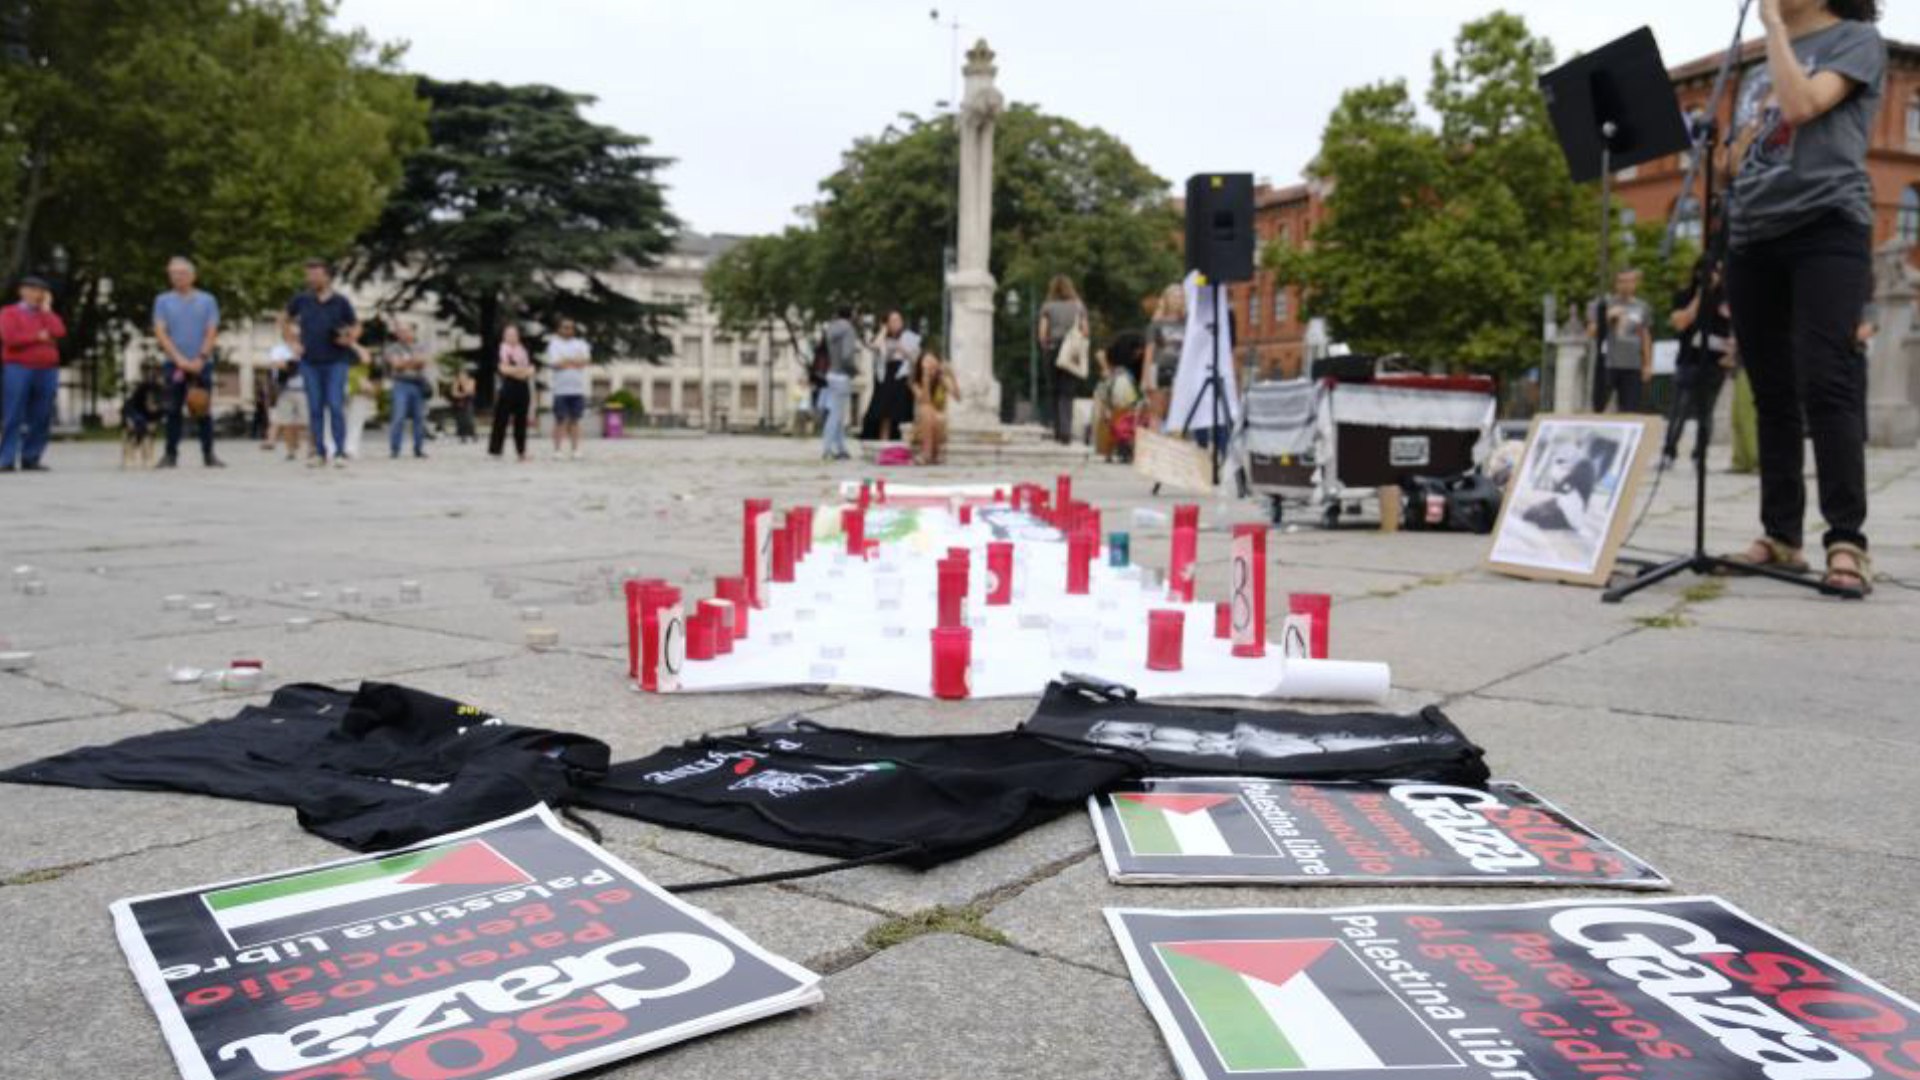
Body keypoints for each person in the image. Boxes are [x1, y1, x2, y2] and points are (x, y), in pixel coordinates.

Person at [1722, 0, 1884, 595]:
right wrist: (1743, 135)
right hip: (1753, 233)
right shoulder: (1755, 66)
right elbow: (1732, 161)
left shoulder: (1855, 40)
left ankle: (1846, 540)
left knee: (1825, 378)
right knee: (1772, 391)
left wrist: (1771, 27)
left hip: (1826, 224)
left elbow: (1802, 106)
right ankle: (1781, 535)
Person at [279, 259, 358, 468]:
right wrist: (292, 342)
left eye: (315, 275)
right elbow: (284, 319)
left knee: (335, 405)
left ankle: (340, 452)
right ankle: (319, 452)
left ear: (327, 277)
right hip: (310, 362)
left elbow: (356, 325)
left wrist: (349, 338)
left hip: (337, 361)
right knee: (314, 408)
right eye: (309, 275)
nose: (311, 279)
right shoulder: (301, 300)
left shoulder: (341, 301)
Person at [1662, 257, 1736, 469]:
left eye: (1717, 272)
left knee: (1706, 413)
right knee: (1679, 410)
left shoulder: (1726, 298)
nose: (1713, 276)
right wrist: (1701, 295)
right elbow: (1680, 323)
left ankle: (1699, 455)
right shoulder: (1684, 295)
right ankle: (1669, 452)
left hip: (1715, 363)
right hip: (1689, 361)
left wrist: (1732, 349)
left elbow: (1735, 328)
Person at [152, 257, 224, 469]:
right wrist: (179, 359)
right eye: (173, 273)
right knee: (172, 410)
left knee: (202, 408)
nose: (178, 277)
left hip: (202, 363)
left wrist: (201, 358)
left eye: (182, 273)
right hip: (174, 363)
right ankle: (170, 454)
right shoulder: (162, 301)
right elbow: (161, 332)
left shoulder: (207, 300)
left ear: (193, 276)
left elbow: (211, 330)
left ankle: (209, 454)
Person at [0, 275, 66, 473]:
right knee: (14, 412)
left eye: (41, 292)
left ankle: (31, 456)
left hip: (47, 368)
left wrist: (47, 311)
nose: (37, 295)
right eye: (34, 290)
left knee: (42, 414)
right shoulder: (9, 313)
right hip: (18, 367)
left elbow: (59, 331)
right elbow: (11, 338)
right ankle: (6, 458)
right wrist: (38, 336)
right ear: (23, 291)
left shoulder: (45, 314)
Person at [1586, 269, 1653, 414]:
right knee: (1599, 407)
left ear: (1635, 283)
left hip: (1632, 364)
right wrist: (1607, 316)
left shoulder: (1642, 306)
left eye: (1630, 281)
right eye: (1622, 281)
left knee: (1630, 410)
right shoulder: (1603, 304)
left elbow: (1645, 336)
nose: (1626, 285)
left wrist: (1647, 364)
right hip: (1608, 363)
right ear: (1615, 284)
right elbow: (1591, 332)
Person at [1038, 275, 1090, 444]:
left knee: (1054, 390)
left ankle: (1057, 430)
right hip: (1071, 352)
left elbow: (1042, 334)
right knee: (1067, 392)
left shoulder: (1047, 306)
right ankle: (1066, 431)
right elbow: (1085, 331)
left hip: (1053, 349)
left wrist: (1046, 346)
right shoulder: (1079, 306)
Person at [860, 311, 918, 442]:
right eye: (893, 320)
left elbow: (915, 358)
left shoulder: (908, 337)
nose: (897, 323)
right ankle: (883, 442)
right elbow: (875, 346)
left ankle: (901, 442)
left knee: (901, 412)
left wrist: (904, 350)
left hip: (902, 376)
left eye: (899, 320)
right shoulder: (882, 338)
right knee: (885, 413)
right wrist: (883, 330)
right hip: (886, 376)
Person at [545, 319, 591, 460]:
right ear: (559, 329)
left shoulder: (581, 344)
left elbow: (584, 361)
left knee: (575, 420)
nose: (568, 330)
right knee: (560, 420)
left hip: (577, 389)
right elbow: (555, 363)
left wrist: (566, 360)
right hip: (560, 390)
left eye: (570, 327)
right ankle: (557, 450)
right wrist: (573, 361)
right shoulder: (554, 344)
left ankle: (576, 449)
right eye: (565, 327)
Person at [385, 322, 431, 459]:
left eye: (407, 331)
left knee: (419, 417)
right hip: (401, 384)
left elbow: (423, 361)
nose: (404, 334)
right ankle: (395, 449)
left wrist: (406, 362)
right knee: (398, 416)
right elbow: (396, 365)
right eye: (401, 331)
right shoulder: (392, 348)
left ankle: (418, 449)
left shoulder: (420, 346)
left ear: (413, 332)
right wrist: (413, 361)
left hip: (418, 384)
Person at [1144, 284, 1186, 426]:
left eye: (1180, 296)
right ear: (1166, 299)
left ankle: (1171, 439)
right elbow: (1149, 352)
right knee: (1156, 413)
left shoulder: (1188, 324)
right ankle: (1153, 438)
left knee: (1175, 412)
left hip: (1179, 371)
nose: (1177, 300)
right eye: (1174, 296)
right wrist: (1145, 379)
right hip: (1158, 370)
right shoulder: (1156, 324)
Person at [1094, 343, 1143, 464]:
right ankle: (1124, 451)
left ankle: (1112, 452)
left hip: (1117, 408)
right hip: (1127, 406)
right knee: (1124, 426)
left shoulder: (1113, 374)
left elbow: (1104, 394)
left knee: (1112, 425)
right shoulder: (1126, 373)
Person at [490, 325, 534, 461]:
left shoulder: (523, 350)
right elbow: (503, 369)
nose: (512, 337)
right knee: (501, 419)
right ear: (504, 336)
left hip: (523, 388)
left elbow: (531, 369)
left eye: (514, 334)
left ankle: (521, 450)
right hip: (506, 387)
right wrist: (520, 371)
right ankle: (496, 450)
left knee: (521, 420)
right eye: (508, 334)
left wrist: (515, 371)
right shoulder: (500, 349)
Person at [821, 306, 859, 460]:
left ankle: (840, 448)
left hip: (831, 373)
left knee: (836, 414)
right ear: (851, 314)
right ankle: (828, 448)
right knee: (836, 415)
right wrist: (854, 370)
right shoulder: (849, 329)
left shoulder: (831, 328)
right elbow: (847, 355)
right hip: (842, 375)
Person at [910, 349, 960, 465]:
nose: (930, 365)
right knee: (926, 409)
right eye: (927, 363)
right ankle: (929, 454)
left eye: (932, 362)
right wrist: (926, 377)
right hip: (921, 426)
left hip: (939, 423)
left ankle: (929, 455)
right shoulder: (915, 383)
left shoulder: (941, 379)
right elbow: (925, 401)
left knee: (937, 416)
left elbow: (957, 397)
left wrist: (952, 376)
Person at [269, 329, 308, 462]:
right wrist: (293, 359)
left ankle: (308, 447)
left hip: (304, 390)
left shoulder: (307, 348)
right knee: (286, 422)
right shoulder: (279, 349)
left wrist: (291, 363)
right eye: (292, 334)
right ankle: (290, 450)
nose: (295, 336)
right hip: (285, 389)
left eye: (297, 334)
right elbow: (277, 364)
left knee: (306, 422)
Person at [122, 365, 161, 469]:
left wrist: (155, 415)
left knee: (149, 434)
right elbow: (130, 405)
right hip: (134, 411)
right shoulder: (141, 391)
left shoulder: (159, 390)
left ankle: (148, 458)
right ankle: (128, 457)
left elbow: (157, 408)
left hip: (148, 413)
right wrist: (129, 418)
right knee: (131, 434)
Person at [450, 367, 477, 444]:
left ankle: (473, 434)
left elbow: (469, 391)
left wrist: (462, 384)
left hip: (468, 402)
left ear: (466, 375)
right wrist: (462, 394)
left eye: (463, 374)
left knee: (469, 419)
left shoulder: (471, 381)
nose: (461, 376)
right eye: (460, 374)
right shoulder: (456, 382)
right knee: (461, 419)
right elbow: (454, 393)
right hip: (459, 403)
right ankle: (463, 436)